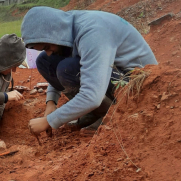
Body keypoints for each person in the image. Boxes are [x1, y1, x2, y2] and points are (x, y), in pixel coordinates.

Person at [21, 7, 157, 135]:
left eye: (47, 46)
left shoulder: (92, 32)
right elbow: (53, 60)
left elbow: (92, 96)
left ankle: (111, 115)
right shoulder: (67, 26)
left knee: (67, 69)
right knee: (45, 61)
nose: (49, 52)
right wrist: (51, 102)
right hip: (114, 70)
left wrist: (49, 121)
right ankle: (94, 112)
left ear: (55, 33)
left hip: (138, 85)